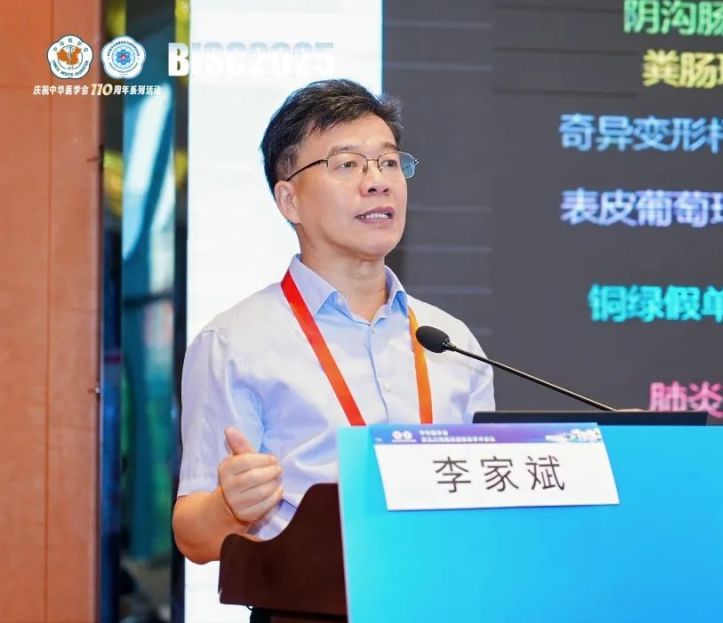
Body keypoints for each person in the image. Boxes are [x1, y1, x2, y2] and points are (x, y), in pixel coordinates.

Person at [172, 80, 495, 570]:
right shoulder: (234, 343)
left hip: (440, 596)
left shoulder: (450, 341)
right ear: (290, 201)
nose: (377, 181)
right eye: (347, 164)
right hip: (307, 605)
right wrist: (227, 507)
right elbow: (192, 536)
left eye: (389, 162)